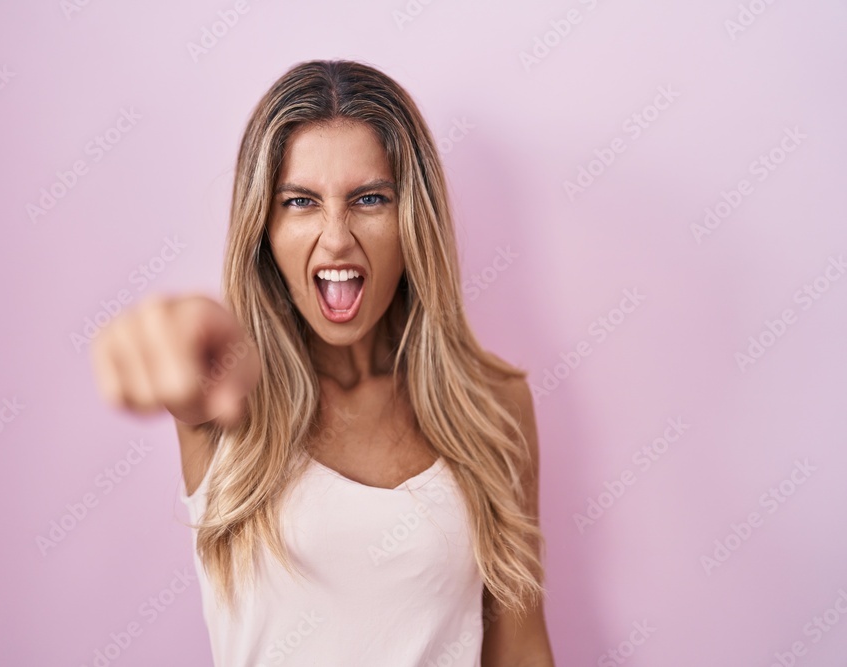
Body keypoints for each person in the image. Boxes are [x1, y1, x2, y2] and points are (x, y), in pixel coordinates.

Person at [90, 58, 555, 666]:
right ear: (264, 227)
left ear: (412, 219)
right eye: (301, 201)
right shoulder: (228, 394)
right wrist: (165, 336)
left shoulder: (492, 402)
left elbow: (519, 652)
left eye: (369, 198)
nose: (336, 238)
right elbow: (179, 344)